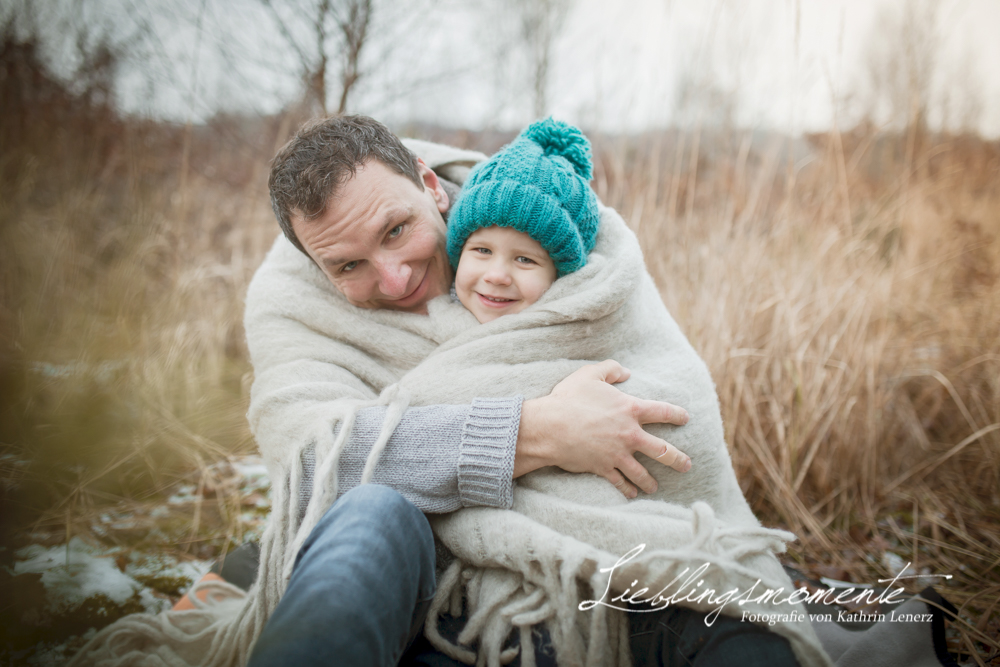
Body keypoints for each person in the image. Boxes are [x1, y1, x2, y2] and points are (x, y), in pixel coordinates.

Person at [242, 115, 822, 667]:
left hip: (599, 564)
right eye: (348, 267)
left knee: (725, 609)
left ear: (429, 184)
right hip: (428, 592)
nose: (394, 278)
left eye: (396, 230)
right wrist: (538, 431)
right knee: (367, 510)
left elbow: (672, 398)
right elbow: (314, 457)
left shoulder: (541, 210)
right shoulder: (292, 302)